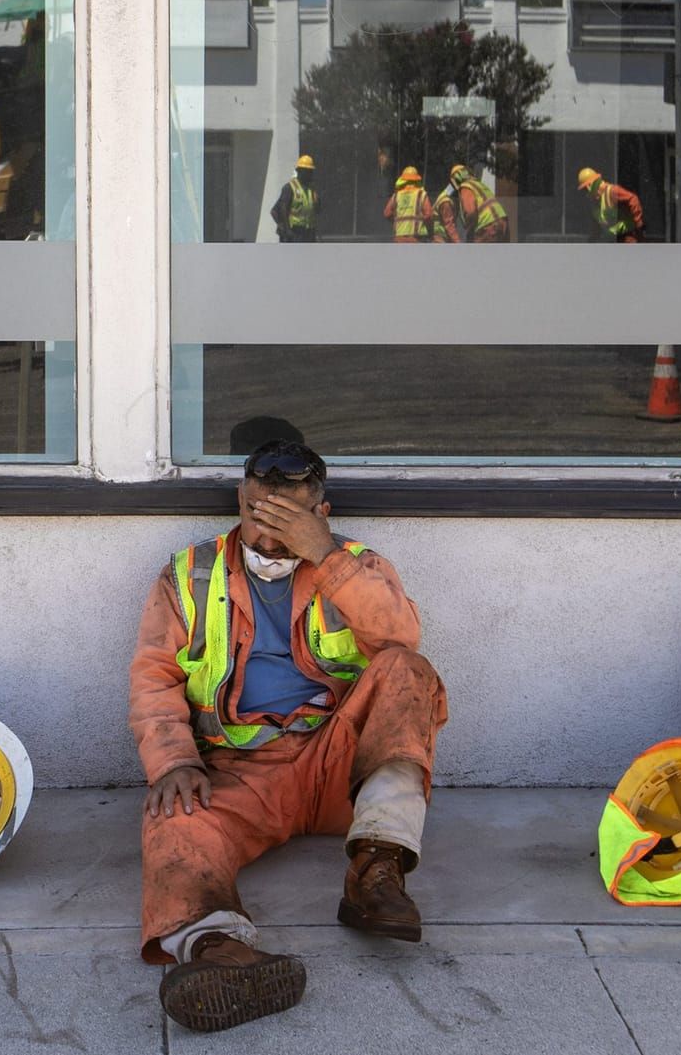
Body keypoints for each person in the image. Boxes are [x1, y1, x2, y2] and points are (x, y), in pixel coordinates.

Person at [132, 439, 447, 1032]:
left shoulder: (357, 563)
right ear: (239, 501)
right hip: (240, 770)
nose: (267, 536)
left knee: (408, 671)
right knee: (170, 818)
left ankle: (376, 875)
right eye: (256, 513)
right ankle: (219, 950)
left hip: (337, 764)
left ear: (320, 514)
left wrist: (323, 556)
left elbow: (398, 635)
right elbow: (154, 677)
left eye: (287, 521)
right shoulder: (188, 575)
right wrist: (173, 760)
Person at [434, 163, 509, 244]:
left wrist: (470, 234)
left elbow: (470, 212)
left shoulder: (465, 186)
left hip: (488, 227)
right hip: (503, 222)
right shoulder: (479, 185)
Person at [576, 166, 644, 242]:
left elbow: (633, 199)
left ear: (591, 185)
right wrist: (592, 241)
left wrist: (638, 224)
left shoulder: (612, 191)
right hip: (612, 239)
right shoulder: (594, 203)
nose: (586, 193)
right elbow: (596, 225)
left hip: (627, 236)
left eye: (585, 189)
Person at [270, 154, 319, 242]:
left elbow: (317, 210)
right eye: (307, 171)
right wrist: (286, 229)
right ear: (299, 171)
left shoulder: (311, 189)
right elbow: (279, 210)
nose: (310, 174)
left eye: (311, 171)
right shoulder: (290, 188)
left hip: (308, 233)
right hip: (294, 232)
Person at [383, 166, 433, 243]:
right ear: (417, 180)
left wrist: (397, 221)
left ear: (403, 180)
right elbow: (429, 215)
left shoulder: (396, 195)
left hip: (399, 239)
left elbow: (387, 213)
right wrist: (430, 232)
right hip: (415, 239)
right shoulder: (421, 194)